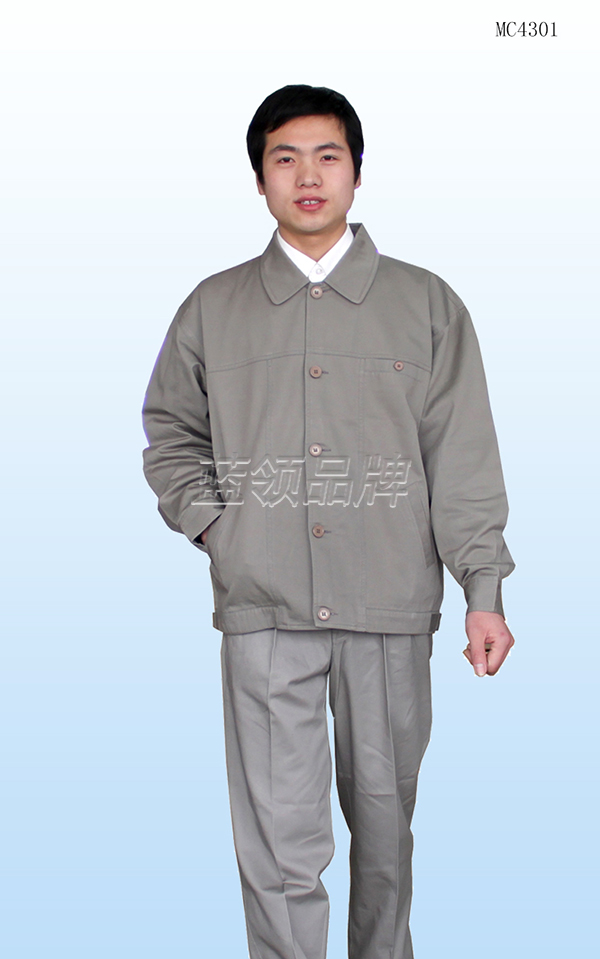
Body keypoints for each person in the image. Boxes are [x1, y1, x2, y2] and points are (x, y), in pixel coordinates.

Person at [141, 84, 516, 959]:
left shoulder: (425, 304)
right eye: (285, 158)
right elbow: (171, 433)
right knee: (277, 841)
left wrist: (483, 589)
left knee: (384, 833)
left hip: (389, 605)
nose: (307, 176)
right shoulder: (213, 308)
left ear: (356, 171)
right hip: (264, 605)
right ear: (259, 179)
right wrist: (219, 528)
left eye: (327, 156)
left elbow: (461, 455)